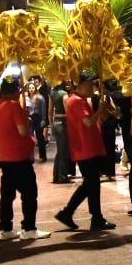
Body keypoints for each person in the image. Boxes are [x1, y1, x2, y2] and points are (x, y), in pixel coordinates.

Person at [0, 76, 48, 241]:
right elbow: (23, 131)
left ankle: (5, 228)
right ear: (15, 90)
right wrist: (26, 121)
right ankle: (29, 228)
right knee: (29, 194)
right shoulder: (15, 107)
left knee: (7, 196)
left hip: (5, 157)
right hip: (19, 157)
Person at [55, 73, 115, 233]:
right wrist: (100, 110)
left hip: (90, 148)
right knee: (91, 185)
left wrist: (104, 111)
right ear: (81, 85)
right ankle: (94, 218)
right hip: (85, 149)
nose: (92, 88)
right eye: (90, 84)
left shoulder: (81, 100)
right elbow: (88, 122)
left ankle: (70, 213)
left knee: (90, 185)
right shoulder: (76, 101)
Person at [50, 80, 74, 183]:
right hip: (63, 123)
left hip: (56, 122)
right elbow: (68, 111)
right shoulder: (64, 94)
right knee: (64, 151)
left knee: (60, 150)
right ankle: (62, 176)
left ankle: (56, 175)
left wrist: (51, 124)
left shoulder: (51, 93)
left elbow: (50, 111)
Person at [28, 78, 49, 162]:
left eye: (33, 87)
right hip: (31, 118)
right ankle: (31, 157)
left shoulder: (39, 97)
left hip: (38, 118)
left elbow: (44, 109)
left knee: (40, 137)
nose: (31, 89)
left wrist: (43, 119)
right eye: (30, 88)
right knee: (30, 138)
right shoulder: (27, 98)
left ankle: (43, 156)